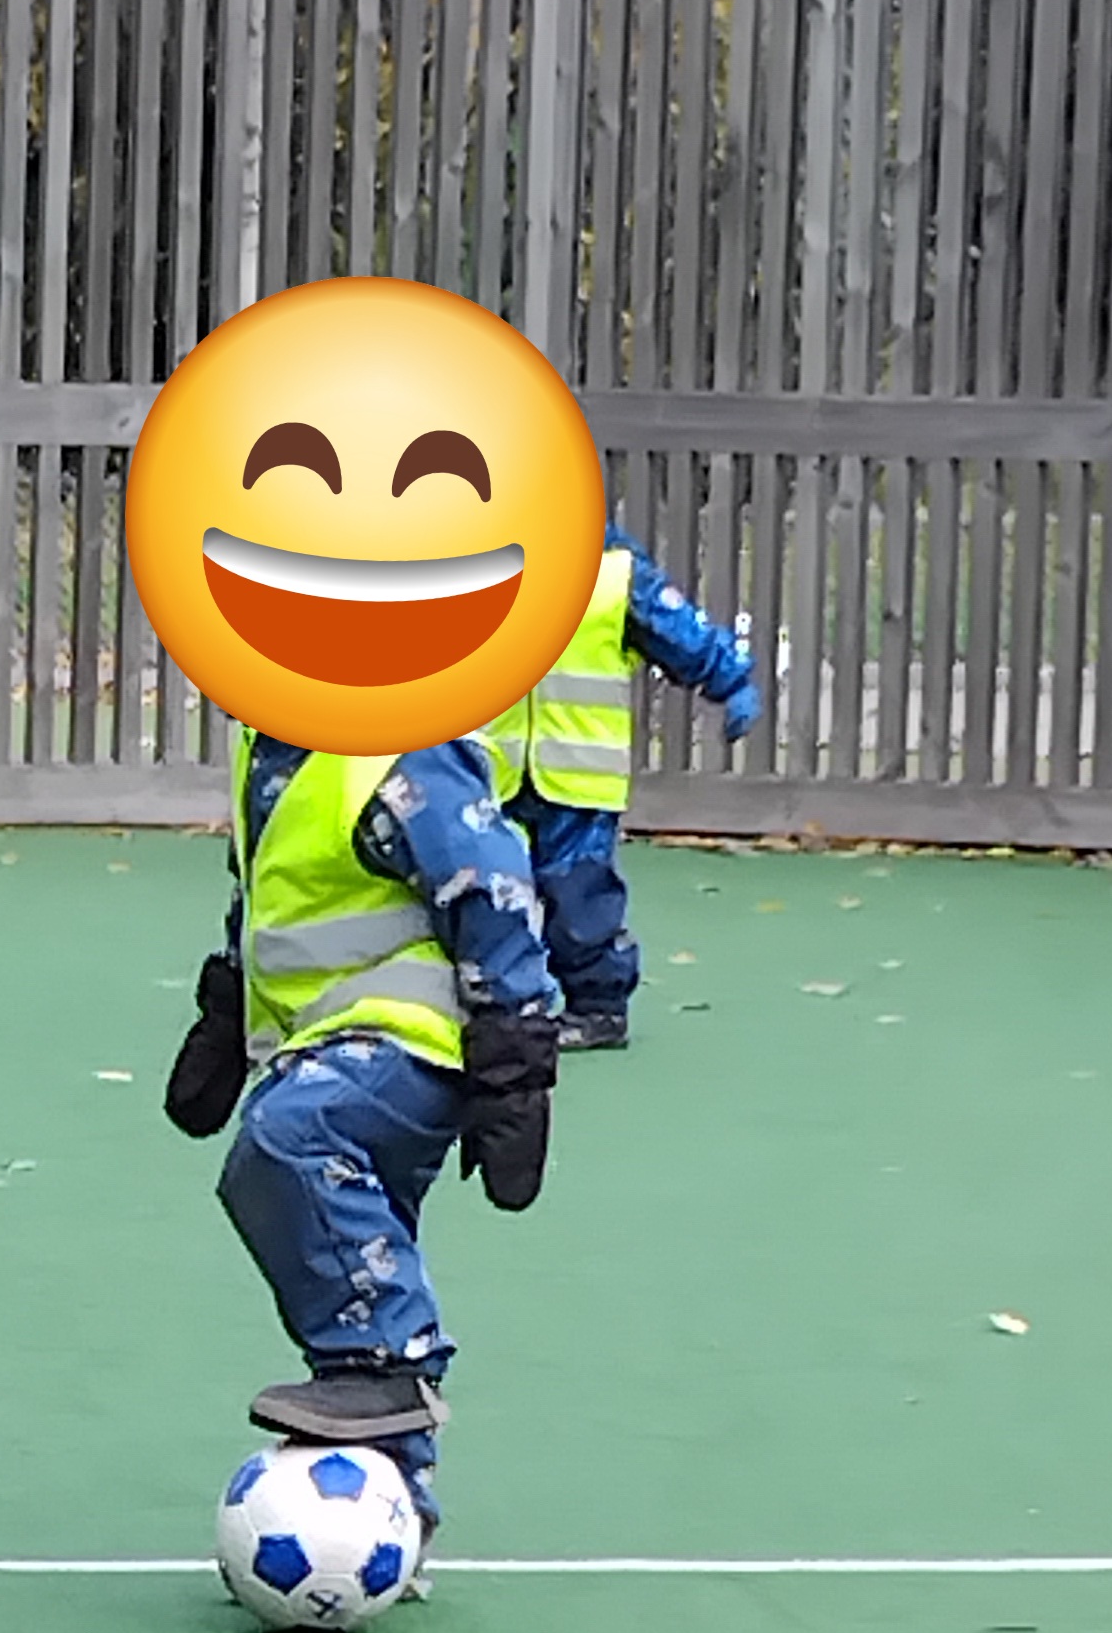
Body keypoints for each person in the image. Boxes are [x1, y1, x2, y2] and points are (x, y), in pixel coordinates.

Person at [163, 730, 562, 1528]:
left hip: (414, 1037)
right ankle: (396, 1496)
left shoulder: (406, 746)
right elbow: (272, 899)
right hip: (320, 1042)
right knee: (360, 1235)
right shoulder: (268, 751)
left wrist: (515, 1055)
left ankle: (383, 1362)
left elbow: (490, 885)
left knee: (289, 1138)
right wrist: (226, 1007)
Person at [488, 531, 757, 1048]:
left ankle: (597, 1008)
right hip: (491, 771)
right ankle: (496, 1007)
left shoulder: (612, 574)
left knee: (580, 898)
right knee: (485, 895)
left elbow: (679, 632)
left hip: (578, 776)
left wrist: (731, 679)